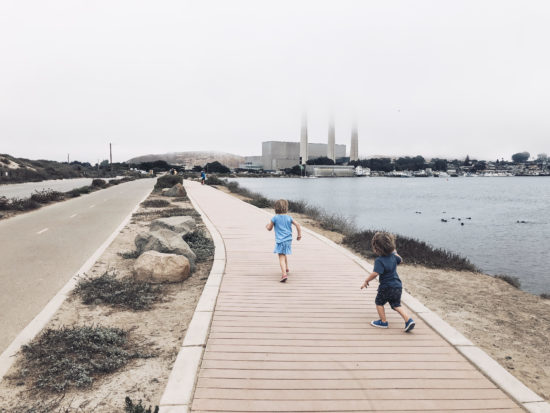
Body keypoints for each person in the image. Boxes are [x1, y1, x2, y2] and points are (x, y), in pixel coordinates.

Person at [360, 231, 415, 332]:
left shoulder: (379, 261)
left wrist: (366, 280)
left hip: (386, 287)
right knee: (396, 305)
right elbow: (401, 260)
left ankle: (383, 321)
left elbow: (375, 273)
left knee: (379, 302)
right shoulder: (394, 257)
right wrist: (395, 252)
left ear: (377, 248)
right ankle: (408, 320)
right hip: (397, 286)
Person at [266, 199, 302, 282]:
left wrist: (267, 226)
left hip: (280, 241)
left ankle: (284, 274)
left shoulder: (275, 218)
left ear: (276, 208)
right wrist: (299, 235)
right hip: (288, 240)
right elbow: (297, 224)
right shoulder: (289, 217)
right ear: (286, 208)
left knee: (281, 257)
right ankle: (286, 268)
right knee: (284, 253)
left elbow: (269, 228)